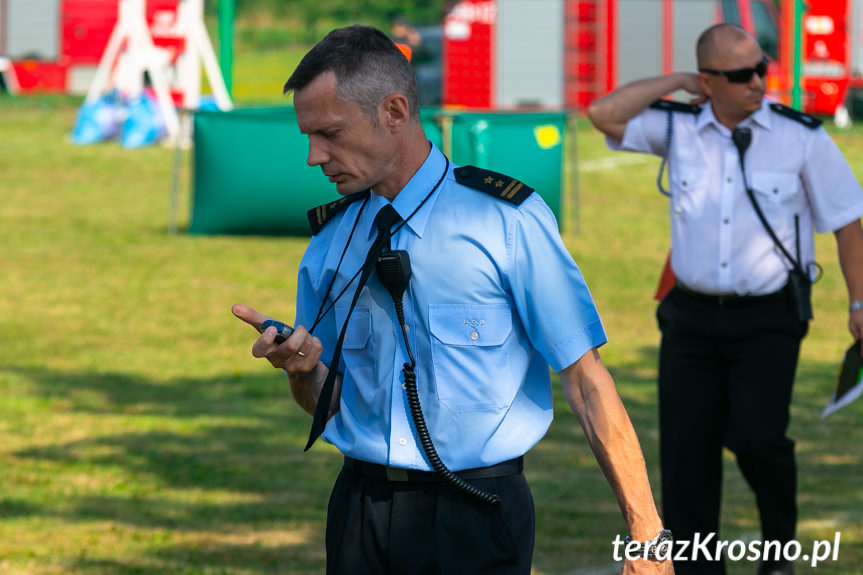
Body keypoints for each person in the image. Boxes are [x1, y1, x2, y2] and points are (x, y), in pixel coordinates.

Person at [233, 24, 673, 575]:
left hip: (478, 514)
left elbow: (586, 382)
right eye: (307, 137)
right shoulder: (329, 240)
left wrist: (647, 534)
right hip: (360, 511)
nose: (313, 156)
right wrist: (301, 372)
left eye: (330, 133)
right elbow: (333, 399)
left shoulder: (505, 221)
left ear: (394, 111)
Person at [587, 22, 863, 575]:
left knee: (758, 439)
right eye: (740, 75)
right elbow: (604, 114)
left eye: (761, 67)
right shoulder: (680, 126)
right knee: (687, 455)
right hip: (689, 318)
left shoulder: (800, 136)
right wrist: (678, 80)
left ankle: (777, 550)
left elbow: (849, 220)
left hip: (768, 318)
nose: (759, 81)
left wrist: (859, 305)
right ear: (709, 82)